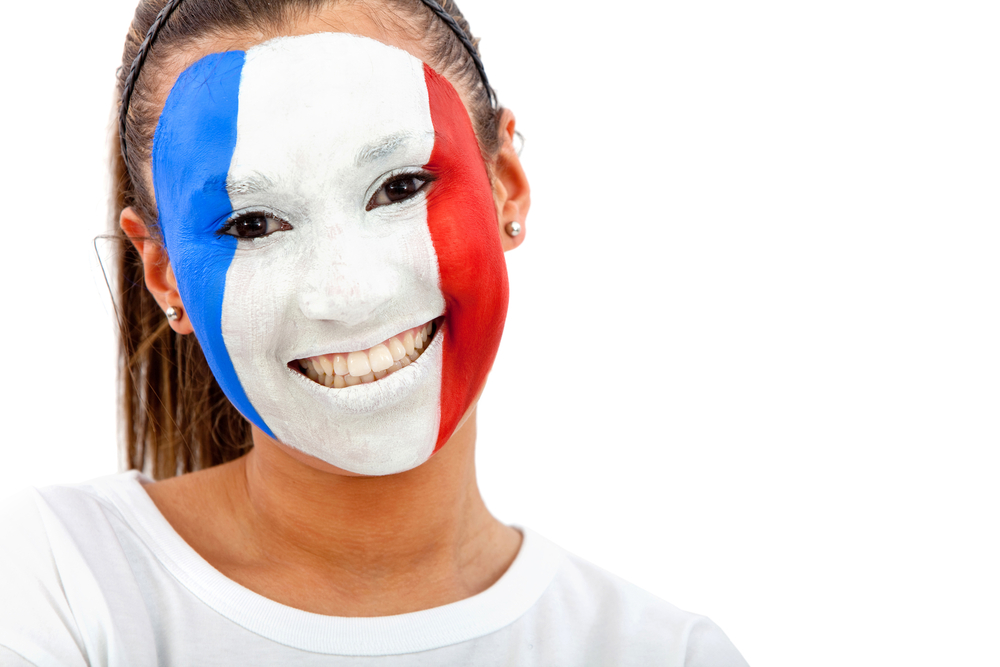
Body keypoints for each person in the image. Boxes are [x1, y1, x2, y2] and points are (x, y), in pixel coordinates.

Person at [0, 0, 749, 664]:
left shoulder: (661, 651)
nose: (347, 294)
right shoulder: (55, 585)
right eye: (253, 224)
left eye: (400, 186)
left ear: (506, 184)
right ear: (164, 276)